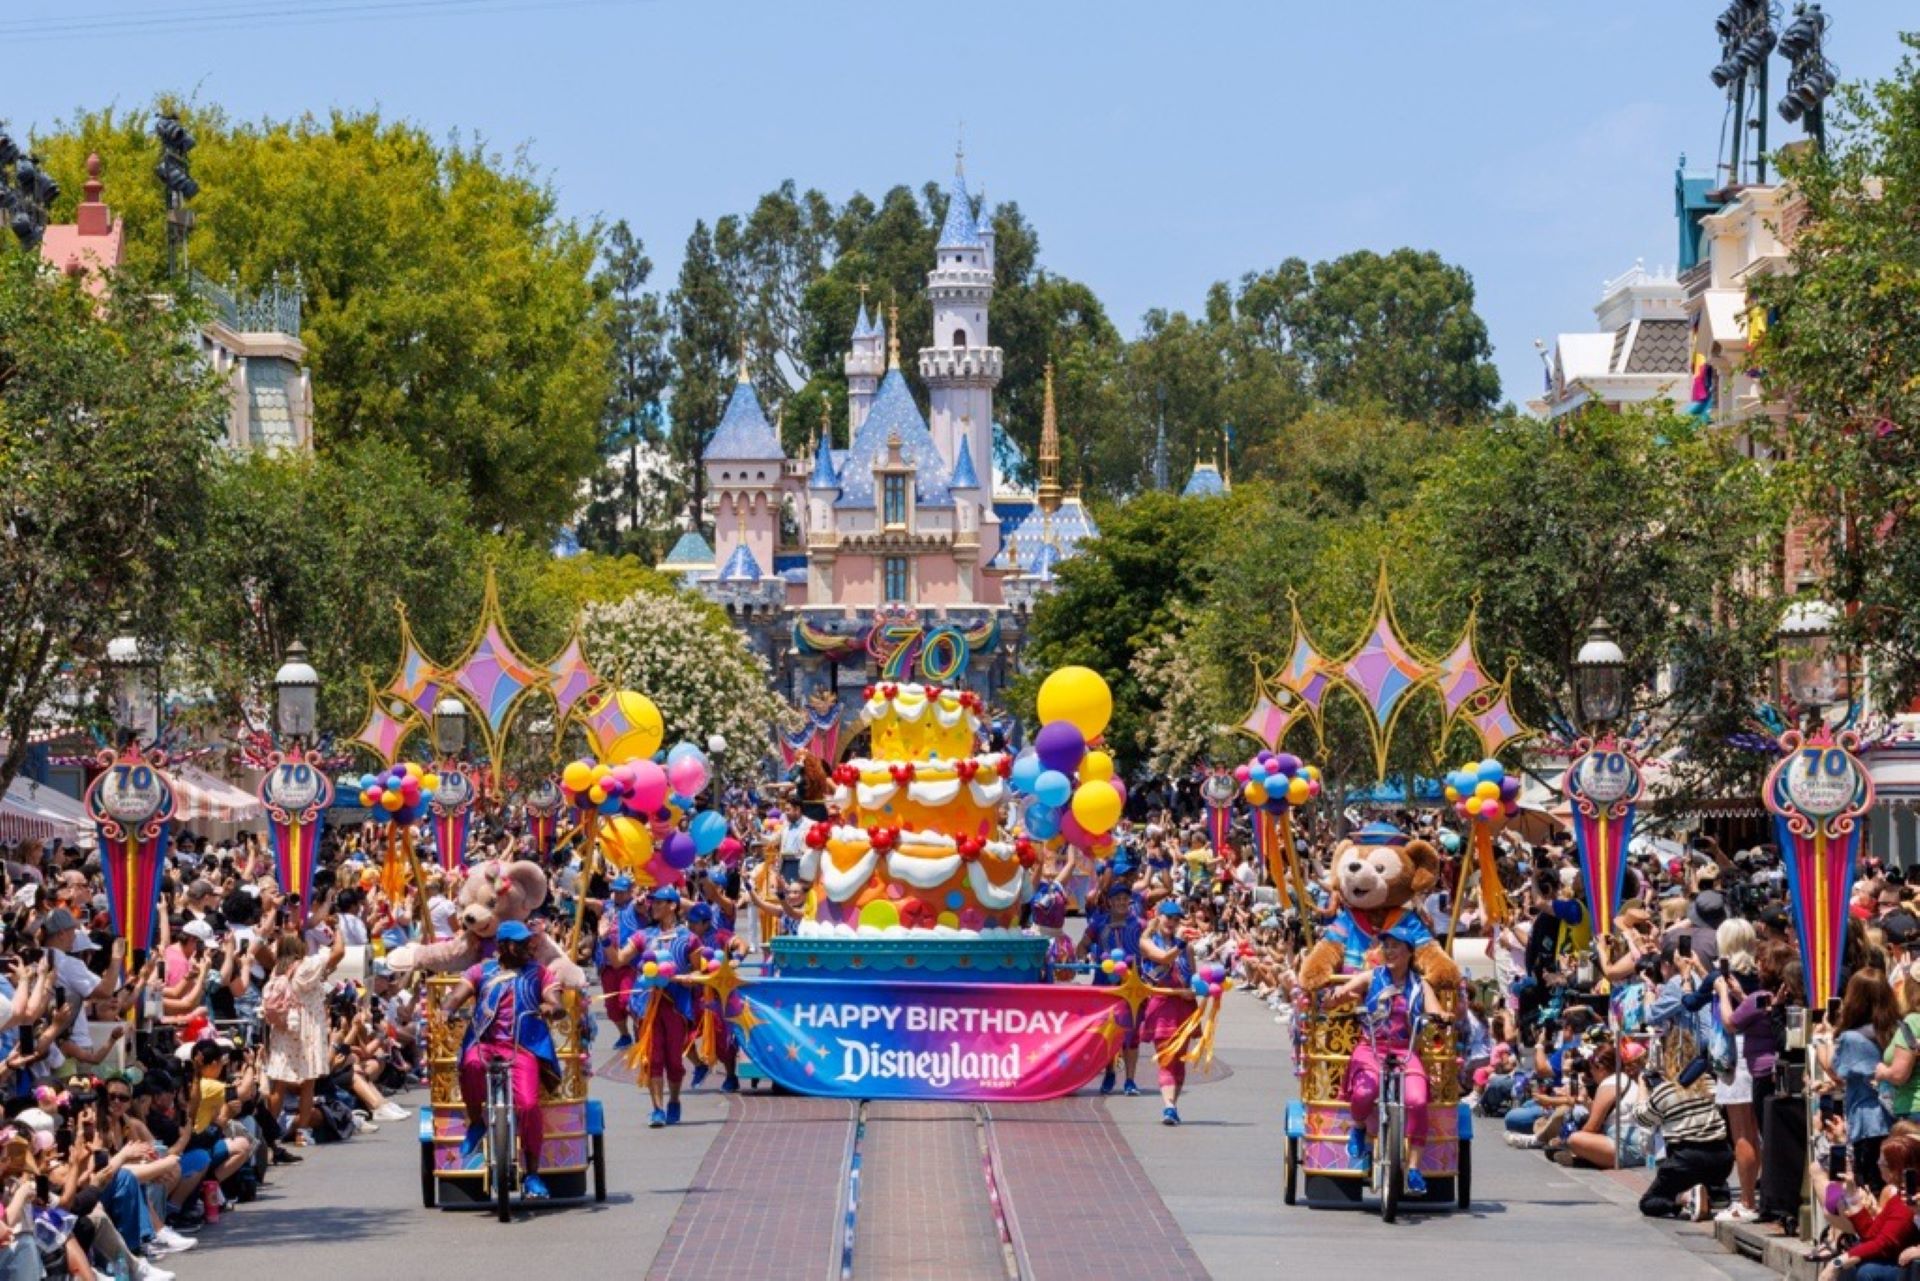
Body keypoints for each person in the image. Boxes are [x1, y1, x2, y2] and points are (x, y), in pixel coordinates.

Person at [439, 920, 561, 1199]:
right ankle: (476, 1121)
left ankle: (532, 1174)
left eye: (528, 941)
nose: (528, 947)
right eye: (520, 943)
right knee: (469, 1064)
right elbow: (456, 996)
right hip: (485, 1042)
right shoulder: (481, 971)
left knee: (529, 1105)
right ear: (504, 946)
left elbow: (555, 1000)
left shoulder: (539, 973)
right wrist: (448, 1009)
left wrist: (552, 1008)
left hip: (523, 1047)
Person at [1330, 923, 1437, 1196]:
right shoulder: (1372, 976)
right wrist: (1338, 997)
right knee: (1365, 1091)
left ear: (1409, 952)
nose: (1389, 951)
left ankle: (1413, 1169)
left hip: (1405, 1050)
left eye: (1395, 947)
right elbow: (1340, 995)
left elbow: (1436, 1009)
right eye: (1386, 946)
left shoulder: (1419, 985)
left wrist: (1442, 1017)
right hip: (1372, 1048)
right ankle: (1359, 1127)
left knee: (1417, 1100)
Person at [264, 904, 346, 1144]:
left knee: (279, 1080)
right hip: (307, 1027)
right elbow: (338, 952)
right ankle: (302, 1132)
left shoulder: (278, 971)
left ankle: (270, 1134)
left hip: (282, 1029)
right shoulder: (307, 967)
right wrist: (336, 929)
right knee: (308, 1081)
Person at [1818, 969, 1899, 1192]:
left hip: (1868, 1120)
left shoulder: (1852, 1038)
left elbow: (1835, 1071)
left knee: (1870, 1185)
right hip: (1896, 1115)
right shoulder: (1897, 1029)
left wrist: (1825, 1037)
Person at [1634, 1062, 1735, 1220]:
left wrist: (1642, 1086)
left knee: (1649, 1202)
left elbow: (1642, 1118)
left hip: (1685, 1160)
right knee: (1706, 1174)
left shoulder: (1666, 1090)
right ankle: (1715, 1194)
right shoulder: (1709, 1081)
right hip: (1721, 1158)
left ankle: (1686, 1198)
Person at [1078, 881, 1143, 1096]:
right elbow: (1084, 944)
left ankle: (1130, 1080)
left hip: (1132, 986)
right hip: (1105, 985)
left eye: (1125, 899)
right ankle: (1109, 1073)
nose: (1122, 902)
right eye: (1118, 899)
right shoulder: (1099, 923)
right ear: (1110, 902)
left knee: (1131, 1033)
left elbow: (1151, 947)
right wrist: (1081, 956)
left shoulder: (1140, 924)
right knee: (1108, 1031)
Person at [1137, 900, 1198, 1126]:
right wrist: (1181, 945)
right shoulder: (1147, 941)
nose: (1172, 922)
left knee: (1179, 1062)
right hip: (1162, 1005)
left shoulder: (1187, 948)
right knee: (1166, 1058)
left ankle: (1173, 1104)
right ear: (1158, 917)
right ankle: (1169, 1107)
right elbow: (1162, 959)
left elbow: (1194, 976)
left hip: (1184, 1008)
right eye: (1168, 917)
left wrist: (1194, 991)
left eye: (1176, 918)